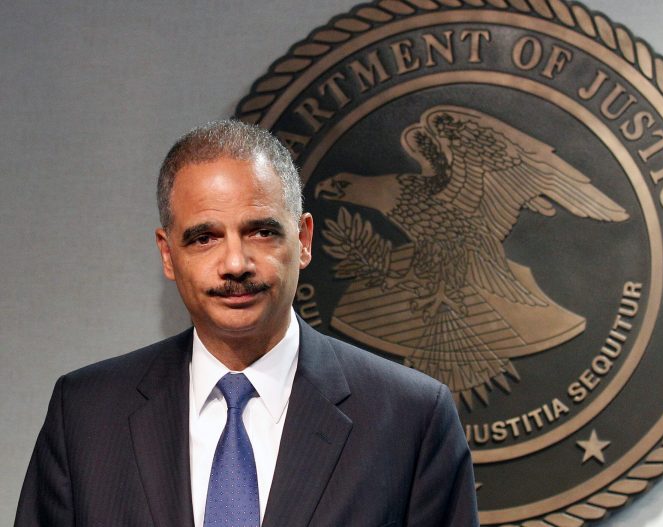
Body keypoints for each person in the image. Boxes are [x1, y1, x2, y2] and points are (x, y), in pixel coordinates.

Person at [15, 120, 479, 527]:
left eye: (261, 230)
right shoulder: (85, 415)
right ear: (167, 254)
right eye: (204, 237)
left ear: (303, 240)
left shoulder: (411, 418)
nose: (235, 263)